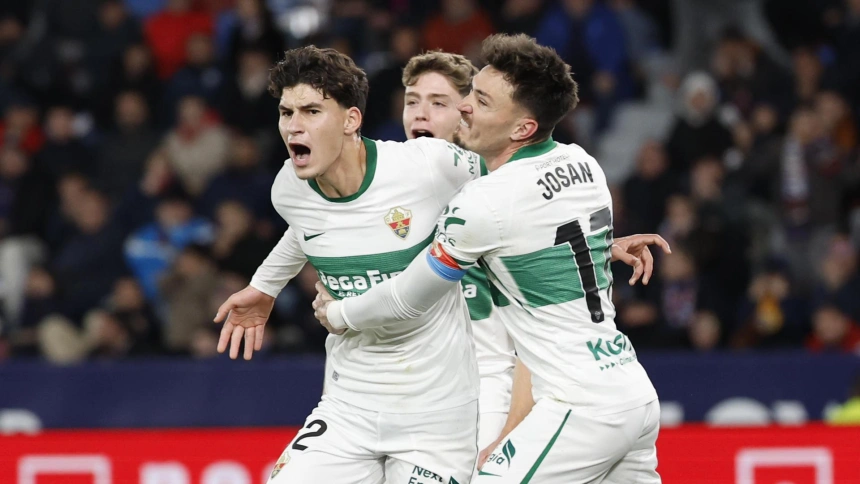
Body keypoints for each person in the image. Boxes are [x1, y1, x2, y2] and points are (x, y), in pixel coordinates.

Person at [312, 34, 666, 483]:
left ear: (521, 129)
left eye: (480, 100)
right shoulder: (585, 164)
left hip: (579, 405)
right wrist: (607, 246)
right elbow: (553, 236)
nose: (464, 108)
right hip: (630, 388)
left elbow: (408, 296)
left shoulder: (485, 201)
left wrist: (341, 312)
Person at [214, 45, 484, 484]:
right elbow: (312, 228)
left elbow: (514, 188)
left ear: (350, 120)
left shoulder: (427, 167)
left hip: (434, 415)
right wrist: (266, 286)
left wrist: (595, 238)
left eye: (311, 111)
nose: (294, 126)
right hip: (348, 405)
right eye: (286, 113)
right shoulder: (288, 188)